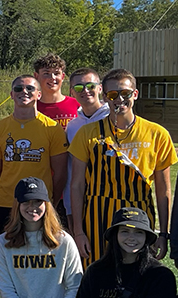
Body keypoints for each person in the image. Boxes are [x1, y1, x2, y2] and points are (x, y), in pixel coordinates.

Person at [70, 68, 175, 264]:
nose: (119, 99)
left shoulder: (157, 134)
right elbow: (76, 185)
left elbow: (164, 190)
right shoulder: (87, 133)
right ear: (105, 96)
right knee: (96, 278)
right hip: (97, 216)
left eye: (125, 93)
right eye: (112, 94)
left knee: (138, 279)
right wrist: (78, 231)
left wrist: (163, 233)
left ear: (135, 94)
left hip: (140, 216)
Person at [0, 75, 67, 237]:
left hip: (40, 204)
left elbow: (60, 173)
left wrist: (50, 200)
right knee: (7, 254)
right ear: (11, 94)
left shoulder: (52, 128)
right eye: (18, 89)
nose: (24, 92)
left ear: (39, 94)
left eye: (30, 88)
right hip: (7, 204)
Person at [63, 68, 109, 230]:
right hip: (81, 201)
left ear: (100, 88)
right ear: (71, 92)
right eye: (78, 87)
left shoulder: (113, 119)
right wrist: (69, 207)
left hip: (112, 199)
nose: (85, 90)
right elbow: (71, 171)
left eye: (90, 85)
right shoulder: (72, 126)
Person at [34, 53, 79, 131]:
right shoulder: (32, 108)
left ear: (62, 76)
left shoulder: (78, 105)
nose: (52, 78)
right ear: (36, 76)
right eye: (46, 73)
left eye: (56, 73)